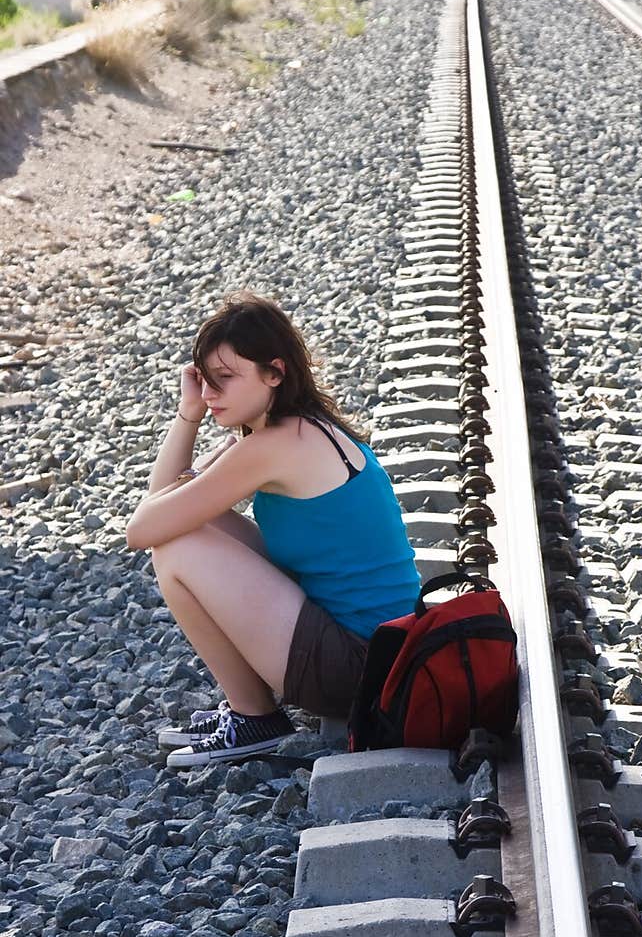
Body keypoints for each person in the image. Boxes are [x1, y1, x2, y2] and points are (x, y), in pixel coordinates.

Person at [125, 291, 420, 768]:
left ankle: (254, 717)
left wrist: (189, 422)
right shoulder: (293, 430)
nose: (207, 395)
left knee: (178, 548)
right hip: (377, 657)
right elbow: (164, 500)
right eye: (204, 380)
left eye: (224, 380)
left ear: (274, 373)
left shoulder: (276, 445)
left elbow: (141, 529)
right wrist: (189, 415)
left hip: (358, 668)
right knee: (189, 524)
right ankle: (251, 712)